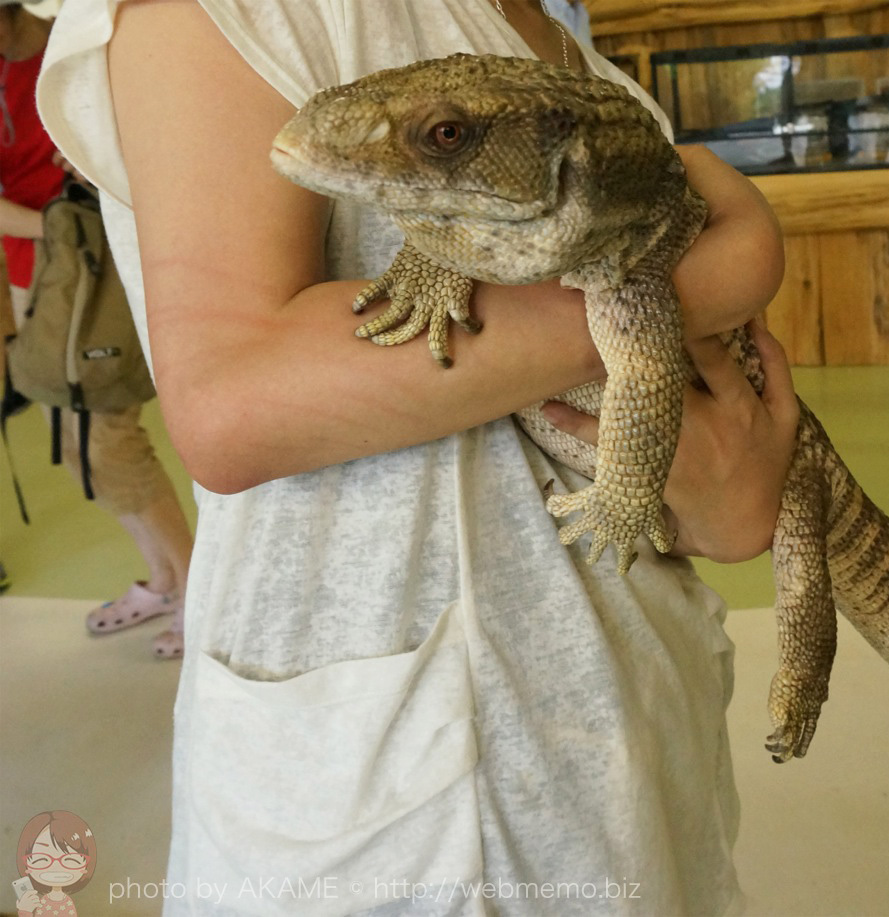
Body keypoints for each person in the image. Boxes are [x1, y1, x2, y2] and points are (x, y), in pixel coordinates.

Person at [38, 0, 796, 912]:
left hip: (629, 700)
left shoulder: (557, 24)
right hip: (402, 781)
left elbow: (689, 407)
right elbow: (231, 400)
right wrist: (717, 277)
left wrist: (732, 499)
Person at [0, 0, 193, 657]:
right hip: (43, 271)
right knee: (75, 441)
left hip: (107, 262)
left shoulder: (77, 42)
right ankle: (166, 577)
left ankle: (198, 590)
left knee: (109, 437)